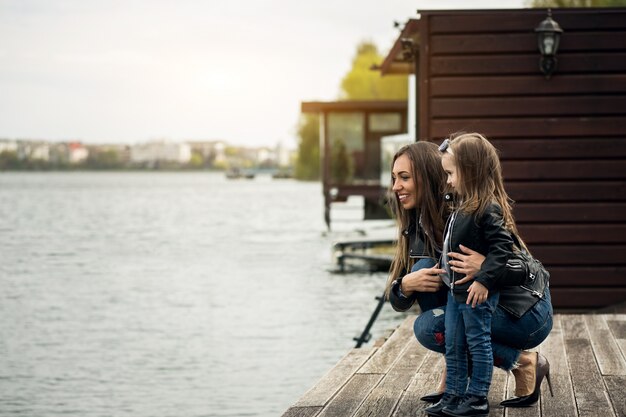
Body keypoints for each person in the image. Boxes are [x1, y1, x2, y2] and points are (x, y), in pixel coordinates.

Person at [386, 138, 552, 416]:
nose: (395, 187)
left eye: (404, 178)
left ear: (430, 177)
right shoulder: (420, 224)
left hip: (527, 313)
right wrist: (403, 285)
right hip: (475, 304)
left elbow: (533, 271)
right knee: (423, 271)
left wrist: (486, 268)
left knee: (429, 327)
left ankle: (522, 363)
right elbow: (399, 299)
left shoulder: (474, 210)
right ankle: (455, 380)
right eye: (394, 178)